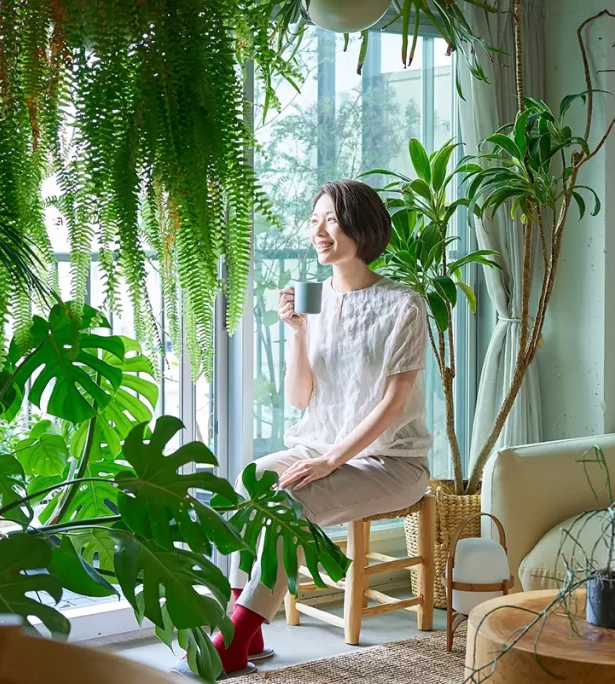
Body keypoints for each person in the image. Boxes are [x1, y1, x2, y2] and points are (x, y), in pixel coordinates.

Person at [178, 179, 432, 679]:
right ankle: (246, 628)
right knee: (251, 481)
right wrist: (296, 332)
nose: (318, 231)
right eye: (314, 220)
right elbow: (300, 398)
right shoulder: (314, 301)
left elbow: (392, 403)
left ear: (363, 226)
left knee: (288, 504)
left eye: (331, 220)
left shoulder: (404, 304)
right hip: (317, 445)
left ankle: (234, 634)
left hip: (392, 460)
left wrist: (332, 460)